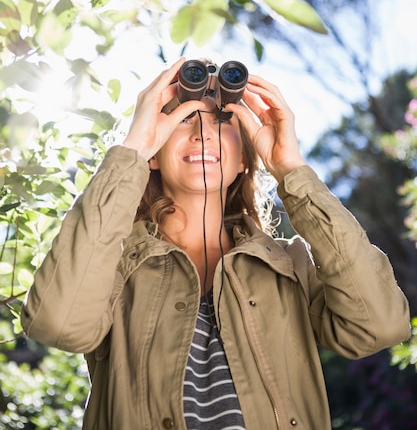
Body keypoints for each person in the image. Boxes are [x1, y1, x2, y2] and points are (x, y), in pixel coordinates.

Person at [21, 57, 410, 430]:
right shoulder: (111, 267)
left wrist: (291, 170)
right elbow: (58, 324)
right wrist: (133, 151)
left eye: (222, 120)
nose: (201, 132)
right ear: (155, 153)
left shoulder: (291, 266)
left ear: (245, 157)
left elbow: (379, 326)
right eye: (183, 117)